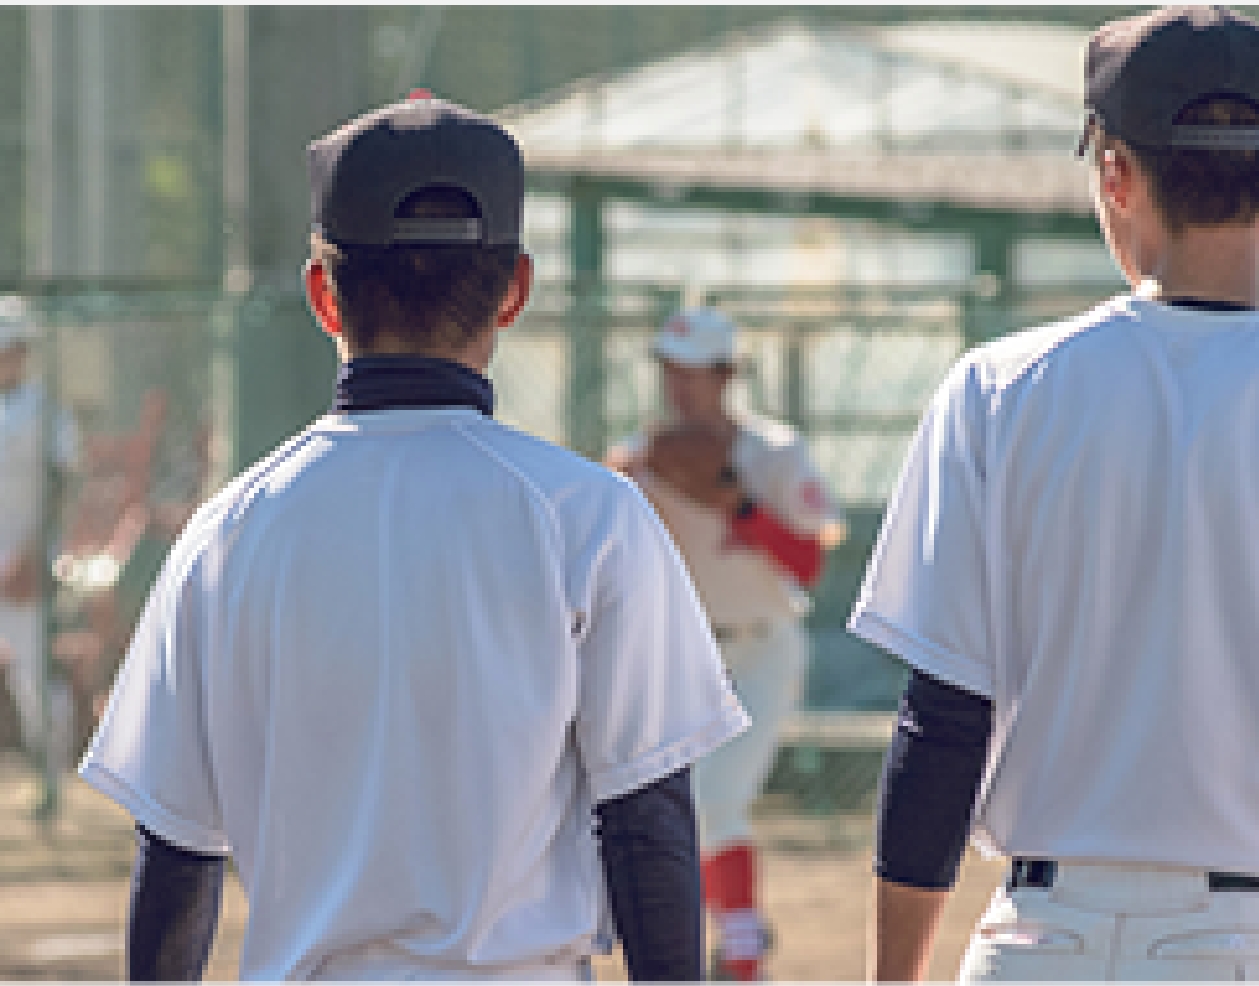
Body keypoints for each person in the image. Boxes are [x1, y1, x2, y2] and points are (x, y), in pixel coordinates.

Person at [78, 93, 749, 982]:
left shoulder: (227, 533)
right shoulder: (588, 515)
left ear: (324, 294)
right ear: (514, 291)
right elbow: (648, 822)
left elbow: (176, 856)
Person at [852, 7, 1259, 981]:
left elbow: (943, 723)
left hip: (1039, 939)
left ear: (1115, 174)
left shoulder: (999, 386)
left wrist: (893, 977)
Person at [607, 307, 844, 981]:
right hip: (683, 654)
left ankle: (740, 949)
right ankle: (738, 942)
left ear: (729, 376)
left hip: (764, 648)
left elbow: (809, 564)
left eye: (696, 373)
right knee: (693, 802)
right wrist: (624, 479)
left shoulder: (772, 452)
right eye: (670, 371)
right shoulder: (641, 456)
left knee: (715, 798)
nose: (680, 387)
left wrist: (737, 505)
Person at [0, 296, 79, 782]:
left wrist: (30, 553)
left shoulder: (46, 411)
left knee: (32, 669)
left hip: (27, 552)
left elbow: (60, 486)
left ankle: (55, 776)